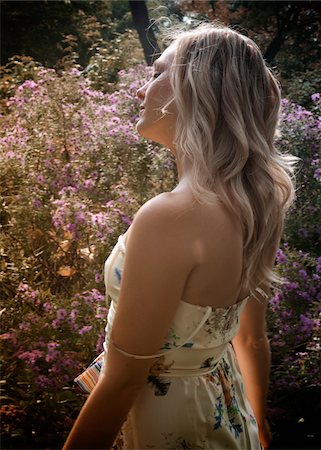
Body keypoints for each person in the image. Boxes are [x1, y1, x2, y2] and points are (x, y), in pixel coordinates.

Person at [63, 22, 297, 450]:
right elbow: (251, 339)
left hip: (167, 429)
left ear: (195, 90)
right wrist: (257, 427)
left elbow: (122, 382)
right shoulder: (255, 204)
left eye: (156, 74)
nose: (140, 91)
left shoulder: (171, 216)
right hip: (228, 419)